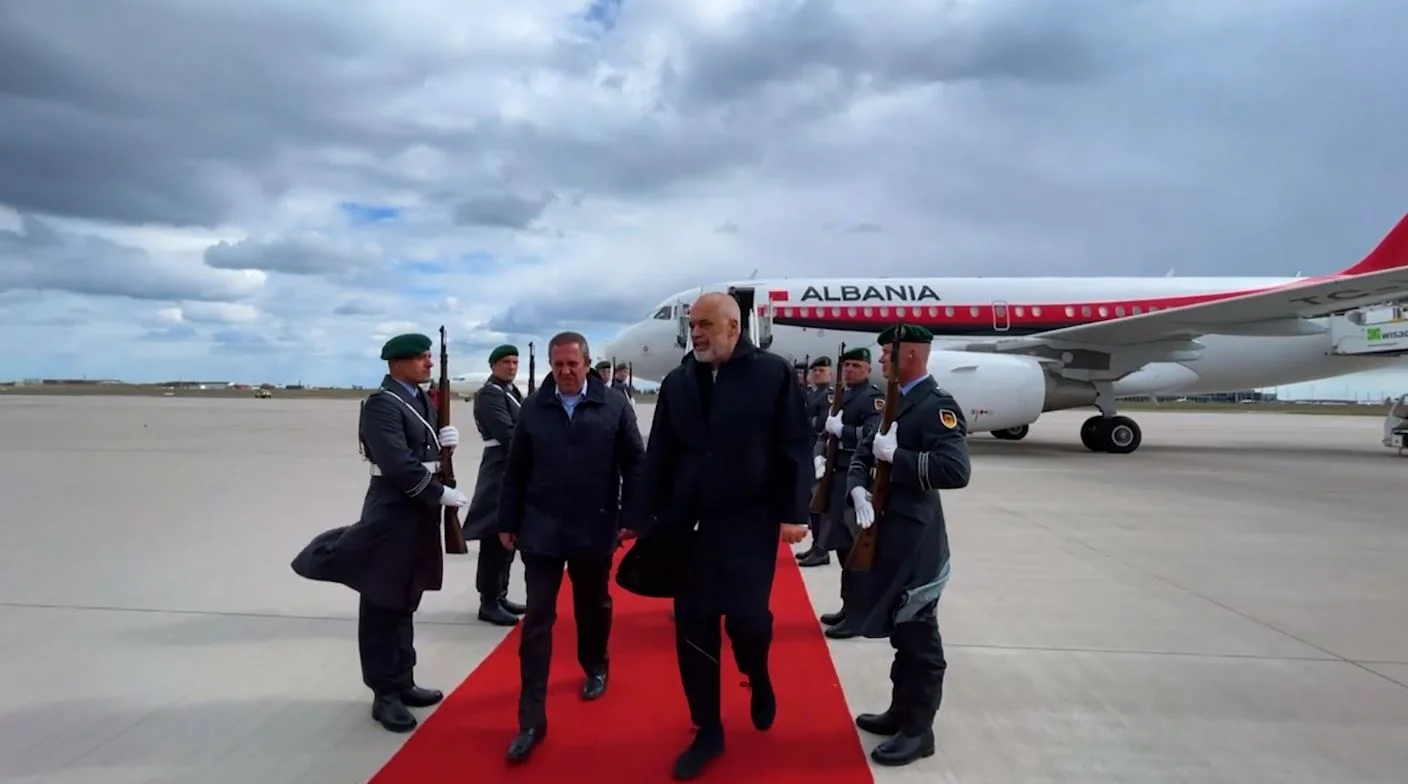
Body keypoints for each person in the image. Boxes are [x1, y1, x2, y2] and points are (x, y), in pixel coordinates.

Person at [630, 291, 813, 781]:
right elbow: (661, 452)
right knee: (693, 630)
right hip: (688, 528)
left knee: (749, 621)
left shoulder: (771, 374)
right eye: (693, 326)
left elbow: (795, 443)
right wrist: (642, 515)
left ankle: (758, 674)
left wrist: (795, 512)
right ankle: (708, 728)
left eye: (706, 324)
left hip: (748, 525)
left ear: (734, 326)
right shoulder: (678, 381)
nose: (697, 333)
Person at [289, 333, 468, 733]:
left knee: (406, 598)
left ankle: (403, 681)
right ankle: (383, 694)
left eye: (428, 357)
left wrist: (444, 448)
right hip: (393, 509)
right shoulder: (382, 404)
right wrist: (439, 493)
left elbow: (419, 449)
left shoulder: (419, 398)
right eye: (421, 358)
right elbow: (398, 462)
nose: (428, 364)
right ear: (396, 364)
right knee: (383, 601)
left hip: (416, 512)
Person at [496, 331, 645, 763]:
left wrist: (631, 517)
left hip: (593, 526)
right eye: (557, 365)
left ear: (586, 364)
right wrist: (507, 521)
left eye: (571, 365)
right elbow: (516, 468)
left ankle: (595, 664)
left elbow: (635, 463)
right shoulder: (534, 408)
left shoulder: (613, 405)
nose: (564, 372)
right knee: (538, 620)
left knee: (592, 606)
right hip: (540, 529)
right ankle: (530, 722)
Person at [845, 323, 971, 766]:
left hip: (917, 543)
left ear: (911, 356)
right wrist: (858, 487)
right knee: (901, 632)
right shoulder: (893, 402)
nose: (881, 361)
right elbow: (865, 452)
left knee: (920, 640)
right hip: (887, 538)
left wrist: (895, 459)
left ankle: (919, 730)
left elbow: (955, 471)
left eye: (886, 354)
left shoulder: (936, 407)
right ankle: (900, 712)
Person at [810, 347, 883, 634]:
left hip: (855, 479)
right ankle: (848, 606)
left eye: (855, 365)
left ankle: (859, 613)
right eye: (846, 365)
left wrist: (844, 432)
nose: (850, 370)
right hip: (835, 475)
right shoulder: (844, 395)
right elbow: (824, 434)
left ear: (867, 368)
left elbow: (873, 435)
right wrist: (819, 454)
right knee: (842, 545)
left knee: (856, 549)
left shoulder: (872, 398)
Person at [461, 344, 528, 627]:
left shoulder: (509, 391)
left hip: (512, 467)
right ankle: (488, 600)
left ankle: (499, 594)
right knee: (494, 537)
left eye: (514, 362)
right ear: (493, 365)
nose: (511, 366)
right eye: (505, 362)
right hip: (499, 468)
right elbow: (507, 432)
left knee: (507, 540)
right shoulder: (490, 394)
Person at [797, 355, 835, 567]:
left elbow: (819, 423)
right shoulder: (812, 394)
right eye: (816, 371)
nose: (818, 374)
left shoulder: (828, 395)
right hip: (810, 451)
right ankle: (817, 545)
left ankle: (822, 549)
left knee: (820, 503)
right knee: (813, 504)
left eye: (822, 371)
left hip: (821, 453)